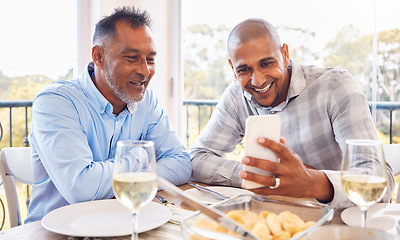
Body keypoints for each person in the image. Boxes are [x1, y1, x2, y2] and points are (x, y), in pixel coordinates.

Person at [190, 18, 394, 209]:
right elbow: (196, 158)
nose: (258, 80)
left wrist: (312, 182)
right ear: (233, 69)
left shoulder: (335, 86)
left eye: (266, 63)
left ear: (285, 54)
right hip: (273, 217)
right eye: (244, 69)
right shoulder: (236, 97)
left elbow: (381, 180)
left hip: (337, 220)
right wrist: (258, 175)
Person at [25, 7, 192, 223]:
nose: (145, 71)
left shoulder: (146, 102)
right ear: (98, 56)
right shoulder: (56, 101)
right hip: (56, 232)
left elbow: (181, 164)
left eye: (150, 59)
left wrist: (115, 179)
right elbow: (82, 189)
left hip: (121, 226)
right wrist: (142, 156)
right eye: (132, 58)